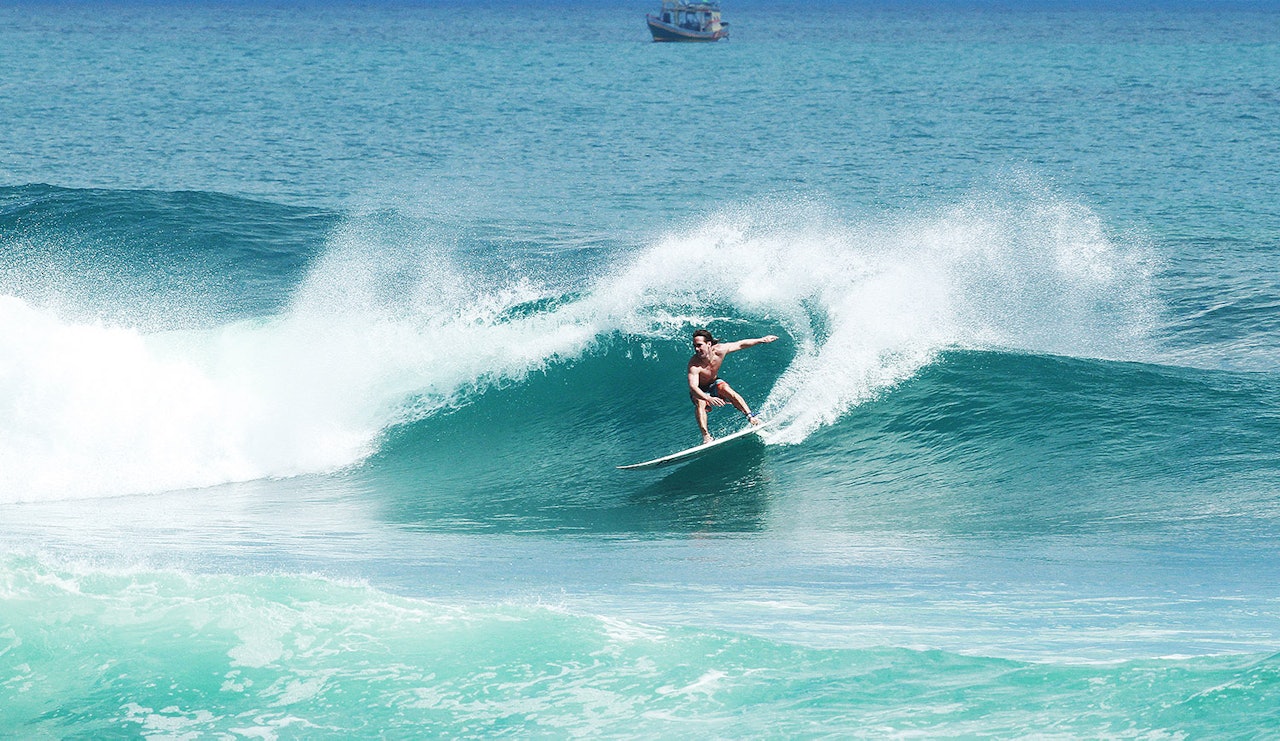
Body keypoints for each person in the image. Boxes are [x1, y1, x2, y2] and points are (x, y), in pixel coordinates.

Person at [687, 329, 778, 444]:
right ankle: (706, 436)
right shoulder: (694, 365)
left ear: (709, 344)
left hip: (714, 383)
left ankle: (751, 417)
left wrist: (761, 340)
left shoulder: (720, 350)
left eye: (699, 345)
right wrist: (708, 398)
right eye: (694, 346)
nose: (696, 349)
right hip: (700, 390)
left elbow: (740, 344)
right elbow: (693, 387)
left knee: (727, 390)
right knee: (700, 402)